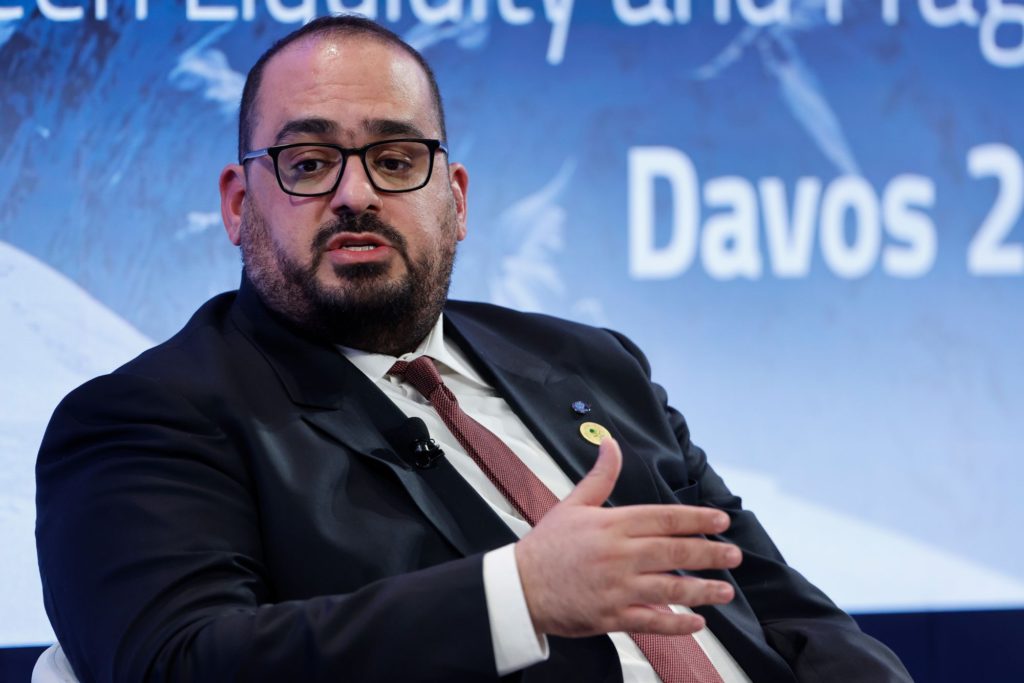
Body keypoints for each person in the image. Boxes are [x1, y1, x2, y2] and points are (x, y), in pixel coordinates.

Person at [36, 15, 912, 683]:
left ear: (456, 199)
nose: (355, 192)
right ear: (238, 203)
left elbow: (778, 602)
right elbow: (181, 661)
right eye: (308, 162)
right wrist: (518, 595)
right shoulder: (146, 418)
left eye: (395, 158)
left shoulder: (595, 364)